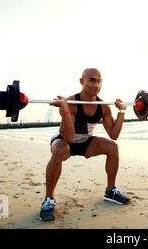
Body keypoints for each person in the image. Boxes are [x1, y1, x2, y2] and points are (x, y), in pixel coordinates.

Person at [40, 68, 130, 221]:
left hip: (85, 141)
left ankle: (110, 191)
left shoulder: (103, 106)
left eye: (99, 80)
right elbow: (68, 135)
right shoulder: (72, 102)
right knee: (60, 151)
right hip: (64, 140)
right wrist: (65, 110)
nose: (95, 84)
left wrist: (122, 112)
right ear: (82, 81)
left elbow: (114, 135)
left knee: (112, 148)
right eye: (91, 80)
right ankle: (49, 200)